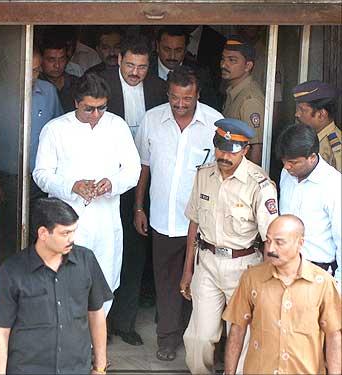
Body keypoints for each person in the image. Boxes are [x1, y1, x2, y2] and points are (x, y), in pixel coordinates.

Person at [33, 73, 141, 314]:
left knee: (104, 284)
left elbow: (133, 171)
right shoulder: (55, 130)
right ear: (75, 103)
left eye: (101, 108)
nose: (95, 115)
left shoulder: (117, 126)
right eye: (88, 109)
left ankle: (94, 344)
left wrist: (112, 183)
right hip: (67, 224)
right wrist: (72, 186)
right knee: (64, 284)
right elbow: (41, 175)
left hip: (105, 223)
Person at [134, 66, 223, 361]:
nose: (180, 104)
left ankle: (197, 341)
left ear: (198, 94)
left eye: (187, 98)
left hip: (204, 222)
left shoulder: (214, 123)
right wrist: (138, 207)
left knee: (201, 284)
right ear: (168, 93)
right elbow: (143, 167)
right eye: (175, 98)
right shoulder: (151, 120)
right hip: (163, 218)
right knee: (167, 282)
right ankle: (168, 339)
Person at [181, 118, 278, 374]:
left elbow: (271, 239)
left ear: (245, 149)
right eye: (220, 148)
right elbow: (194, 224)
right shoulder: (204, 175)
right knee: (198, 338)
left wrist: (267, 282)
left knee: (243, 339)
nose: (224, 155)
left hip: (245, 268)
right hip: (208, 263)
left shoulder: (260, 184)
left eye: (231, 150)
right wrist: (187, 271)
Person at [95, 35, 166, 346]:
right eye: (130, 65)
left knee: (134, 253)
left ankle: (125, 322)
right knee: (100, 253)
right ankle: (101, 324)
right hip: (105, 182)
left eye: (142, 66)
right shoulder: (100, 83)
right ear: (118, 60)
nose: (136, 72)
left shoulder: (158, 89)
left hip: (144, 184)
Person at [0, 197, 113, 374]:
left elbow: (96, 314)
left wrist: (100, 367)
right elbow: (1, 331)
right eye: (65, 233)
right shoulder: (12, 271)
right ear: (43, 233)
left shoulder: (86, 261)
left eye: (73, 231)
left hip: (76, 369)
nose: (72, 238)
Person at [223, 214, 341, 375]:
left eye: (279, 242)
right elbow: (237, 330)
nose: (271, 249)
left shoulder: (322, 283)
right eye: (268, 241)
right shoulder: (251, 278)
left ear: (300, 243)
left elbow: (333, 336)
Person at [276, 123, 341, 287]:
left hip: (316, 274)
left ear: (312, 157)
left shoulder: (333, 185)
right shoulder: (286, 174)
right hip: (282, 269)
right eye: (284, 161)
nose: (286, 166)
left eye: (293, 162)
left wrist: (338, 287)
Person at [150, 26, 221, 110]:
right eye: (167, 49)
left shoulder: (200, 74)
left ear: (186, 49)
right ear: (157, 47)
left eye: (178, 50)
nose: (172, 56)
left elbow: (210, 108)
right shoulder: (144, 69)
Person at [221, 35, 265, 165]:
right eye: (223, 59)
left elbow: (256, 149)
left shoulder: (250, 99)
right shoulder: (233, 91)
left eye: (232, 60)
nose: (224, 64)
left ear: (248, 66)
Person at [30, 47, 63, 201]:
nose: (30, 76)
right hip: (6, 177)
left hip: (43, 174)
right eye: (26, 69)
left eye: (35, 70)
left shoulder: (48, 91)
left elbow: (61, 133)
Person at [293, 80, 341, 172]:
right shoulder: (309, 138)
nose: (297, 114)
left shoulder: (335, 149)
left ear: (321, 115)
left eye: (302, 110)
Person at [39, 33, 78, 112]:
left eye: (62, 59)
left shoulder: (78, 84)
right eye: (51, 60)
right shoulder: (36, 87)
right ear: (40, 59)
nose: (57, 65)